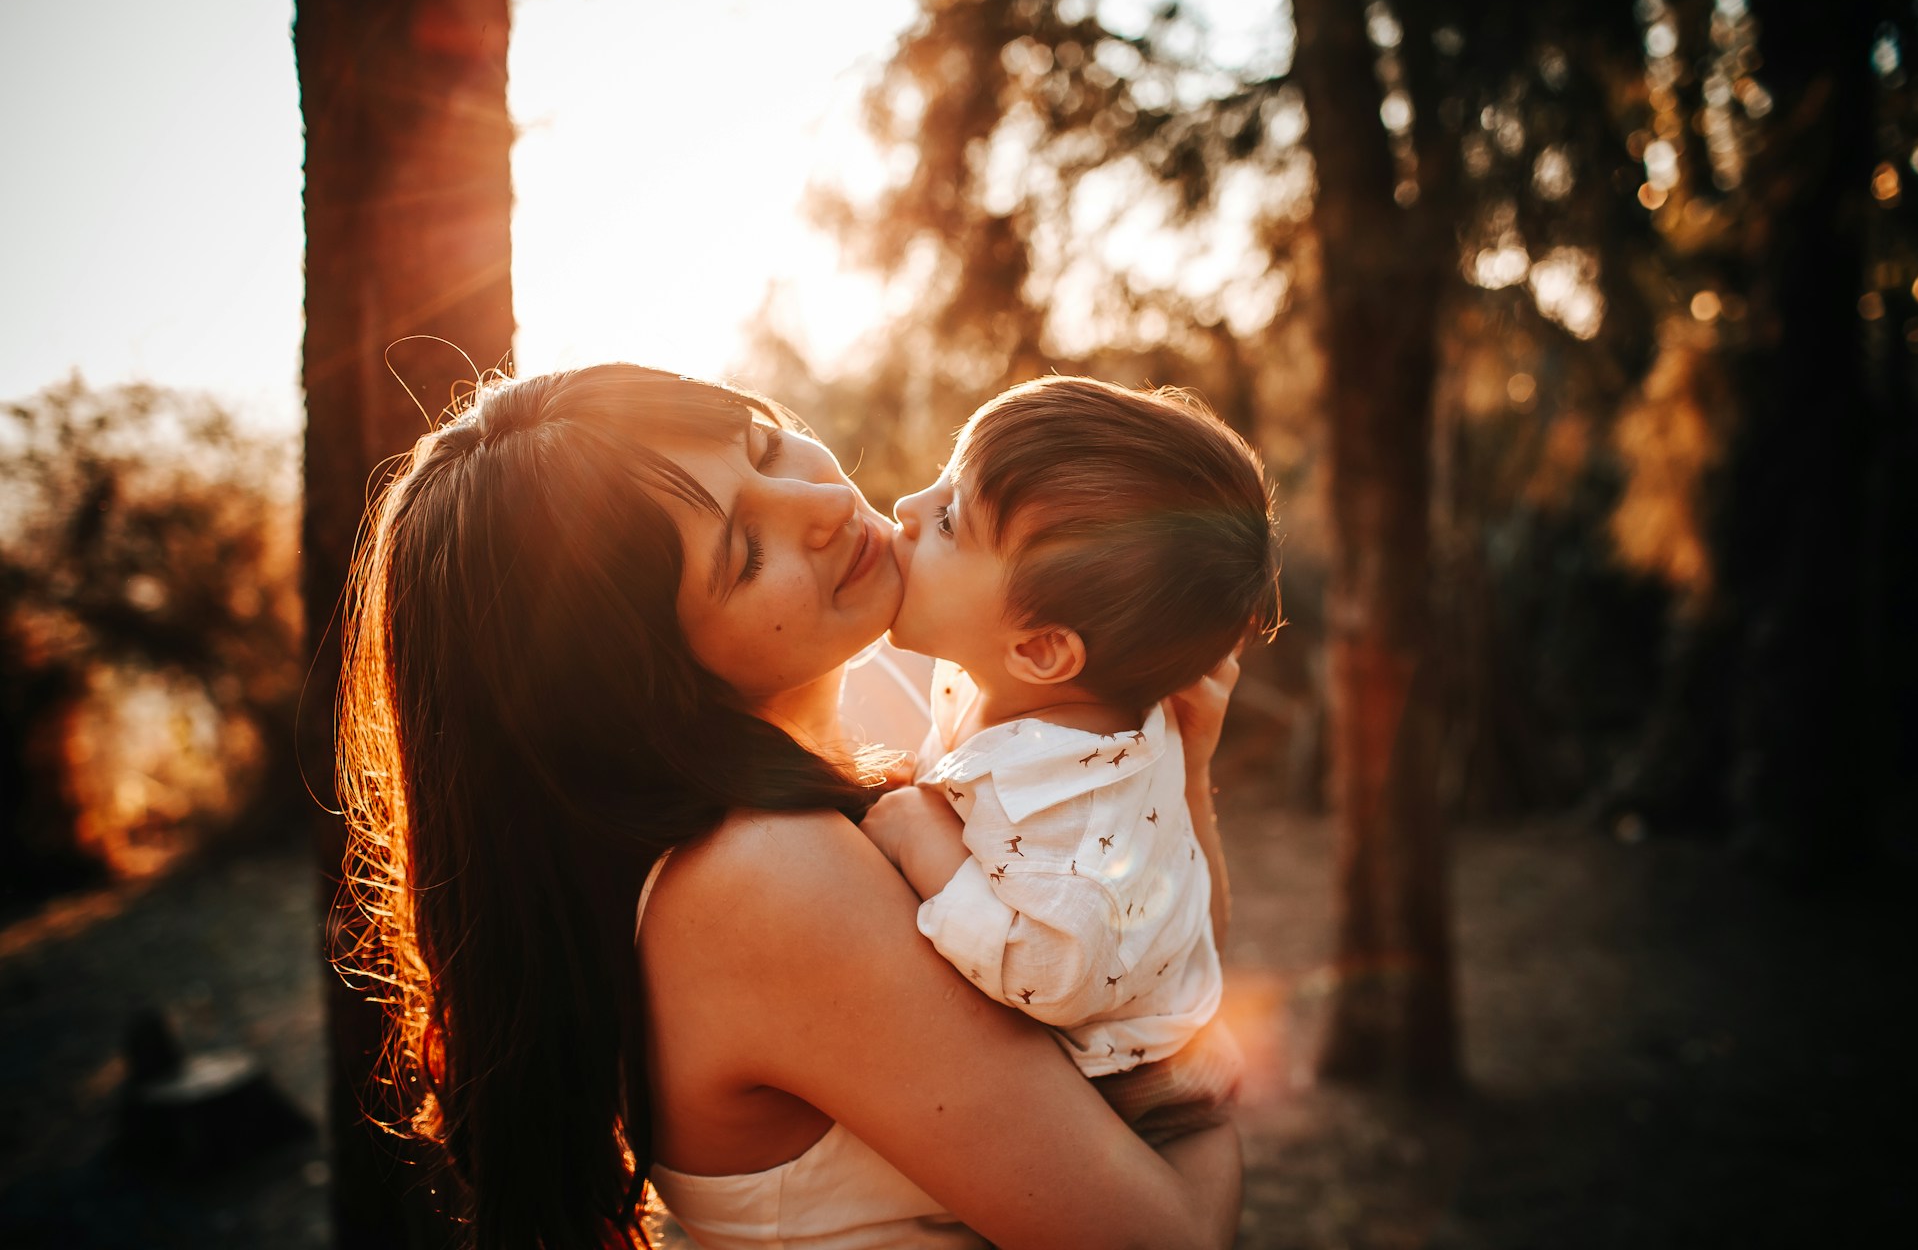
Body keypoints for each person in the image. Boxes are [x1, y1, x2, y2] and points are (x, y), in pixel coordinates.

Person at [336, 364, 1245, 1250]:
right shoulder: (765, 875)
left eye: (766, 447)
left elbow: (1142, 960)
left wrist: (1179, 771)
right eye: (745, 553)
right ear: (640, 681)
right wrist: (1203, 1087)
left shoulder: (889, 709)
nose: (823, 505)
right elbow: (1165, 1234)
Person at [861, 377, 1278, 1146]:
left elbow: (1057, 972)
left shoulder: (1076, 809)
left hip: (1109, 1105)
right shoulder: (1013, 687)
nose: (908, 509)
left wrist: (920, 838)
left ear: (1044, 649)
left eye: (951, 520)